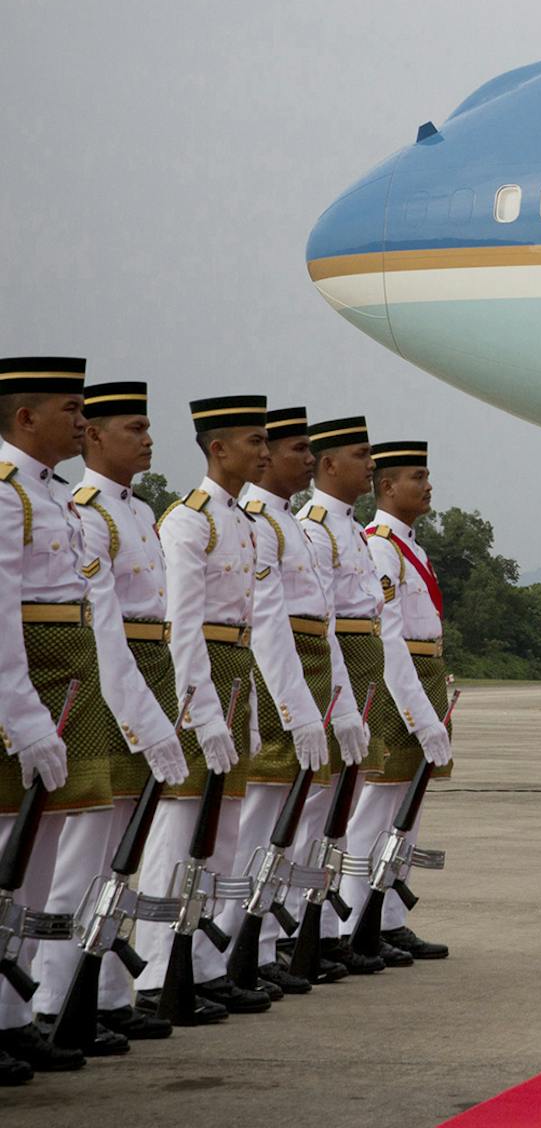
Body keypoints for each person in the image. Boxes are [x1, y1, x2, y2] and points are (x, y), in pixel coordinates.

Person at [1, 359, 179, 1078]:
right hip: (32, 692)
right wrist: (25, 718)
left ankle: (17, 1017)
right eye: (72, 410)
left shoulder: (55, 501)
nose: (81, 422)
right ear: (25, 418)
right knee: (10, 862)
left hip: (68, 686)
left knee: (37, 874)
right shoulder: (9, 495)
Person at [132, 395, 281, 1018]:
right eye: (254, 441)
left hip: (237, 670)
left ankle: (203, 963)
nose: (264, 452)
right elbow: (183, 626)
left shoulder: (243, 521)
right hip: (198, 679)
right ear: (218, 448)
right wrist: (201, 711)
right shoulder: (188, 521)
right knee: (179, 829)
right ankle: (156, 972)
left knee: (220, 831)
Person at [227, 407, 336, 992]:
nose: (302, 461)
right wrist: (294, 711)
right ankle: (238, 947)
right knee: (257, 826)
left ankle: (262, 945)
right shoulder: (254, 520)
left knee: (285, 827)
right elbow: (269, 624)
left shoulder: (288, 522)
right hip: (274, 683)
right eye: (296, 449)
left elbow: (324, 623)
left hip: (302, 676)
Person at [294, 416, 387, 973]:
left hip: (357, 662)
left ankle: (326, 930)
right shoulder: (316, 526)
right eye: (361, 454)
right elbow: (324, 620)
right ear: (329, 465)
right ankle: (298, 930)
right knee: (313, 810)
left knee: (338, 811)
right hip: (334, 666)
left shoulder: (349, 527)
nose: (371, 465)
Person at [356, 442, 454, 960]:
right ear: (388, 486)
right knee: (378, 808)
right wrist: (418, 714)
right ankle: (354, 919)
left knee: (408, 810)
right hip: (402, 682)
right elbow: (388, 637)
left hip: (425, 671)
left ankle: (389, 918)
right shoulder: (381, 546)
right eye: (418, 476)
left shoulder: (410, 545)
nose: (428, 485)